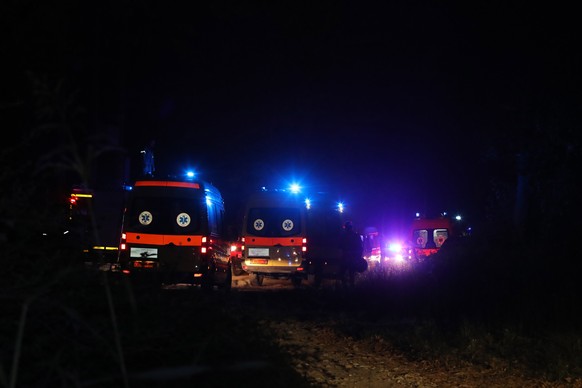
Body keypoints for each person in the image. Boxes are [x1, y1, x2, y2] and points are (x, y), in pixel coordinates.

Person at [338, 221, 363, 288]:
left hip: (347, 259)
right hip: (352, 259)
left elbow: (341, 246)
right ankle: (350, 288)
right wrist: (358, 257)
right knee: (351, 274)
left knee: (342, 274)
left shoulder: (344, 237)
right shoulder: (356, 236)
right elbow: (360, 248)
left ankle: (346, 287)